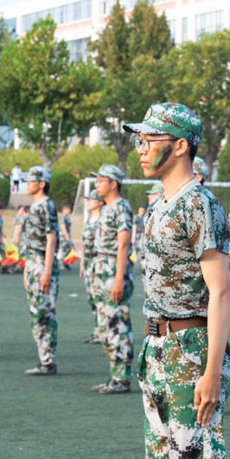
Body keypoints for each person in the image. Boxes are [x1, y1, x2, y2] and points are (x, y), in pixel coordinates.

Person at [121, 101, 230, 459]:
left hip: (191, 350)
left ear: (180, 145)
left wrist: (211, 370)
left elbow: (220, 291)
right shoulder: (157, 203)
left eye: (150, 138)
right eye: (139, 138)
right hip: (157, 349)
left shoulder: (200, 205)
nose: (140, 146)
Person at [89, 164, 134, 393]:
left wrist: (118, 279)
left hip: (114, 269)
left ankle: (122, 377)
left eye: (100, 180)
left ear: (113, 183)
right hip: (101, 267)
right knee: (104, 323)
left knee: (117, 322)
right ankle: (115, 375)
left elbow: (123, 244)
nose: (96, 184)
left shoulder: (121, 208)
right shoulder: (106, 208)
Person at [22, 166, 60, 376]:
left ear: (42, 184)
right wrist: (27, 269)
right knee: (36, 312)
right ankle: (44, 358)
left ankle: (48, 361)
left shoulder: (46, 206)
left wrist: (46, 271)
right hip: (33, 262)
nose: (28, 183)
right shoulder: (35, 206)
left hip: (43, 263)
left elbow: (51, 239)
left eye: (32, 180)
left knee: (44, 312)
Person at [80, 190, 104, 344]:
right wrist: (82, 263)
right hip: (88, 263)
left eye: (91, 199)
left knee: (99, 298)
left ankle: (103, 332)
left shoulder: (103, 220)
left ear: (100, 202)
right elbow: (84, 244)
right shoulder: (89, 220)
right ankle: (97, 331)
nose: (88, 201)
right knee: (91, 298)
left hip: (98, 263)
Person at [59, 205, 74, 270]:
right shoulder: (63, 217)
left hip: (68, 235)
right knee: (65, 250)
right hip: (64, 236)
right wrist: (67, 236)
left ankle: (66, 263)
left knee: (68, 250)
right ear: (63, 210)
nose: (68, 210)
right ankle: (63, 264)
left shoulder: (67, 217)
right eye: (67, 209)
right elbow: (63, 227)